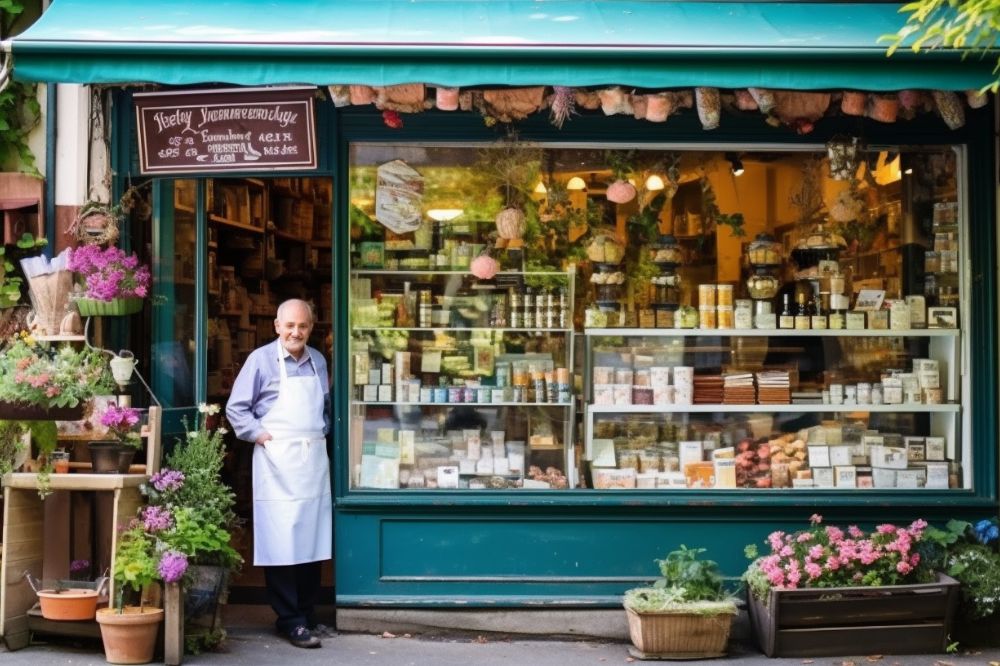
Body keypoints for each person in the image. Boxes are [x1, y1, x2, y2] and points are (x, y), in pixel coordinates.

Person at [226, 299, 333, 649]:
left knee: (312, 539)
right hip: (277, 461)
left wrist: (320, 434)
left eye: (302, 326)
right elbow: (237, 408)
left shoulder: (318, 360)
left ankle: (307, 612)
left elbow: (327, 409)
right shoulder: (261, 360)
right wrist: (260, 435)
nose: (295, 333)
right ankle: (289, 619)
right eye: (289, 326)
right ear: (276, 326)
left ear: (311, 328)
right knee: (282, 540)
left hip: (311, 460)